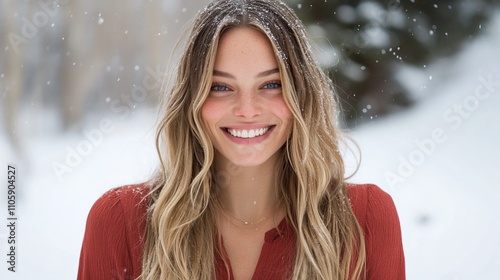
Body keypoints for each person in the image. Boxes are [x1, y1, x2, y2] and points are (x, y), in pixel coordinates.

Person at [77, 0, 405, 279]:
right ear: (192, 100)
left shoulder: (365, 220)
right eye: (221, 87)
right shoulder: (119, 222)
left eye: (271, 84)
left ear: (303, 96)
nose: (247, 111)